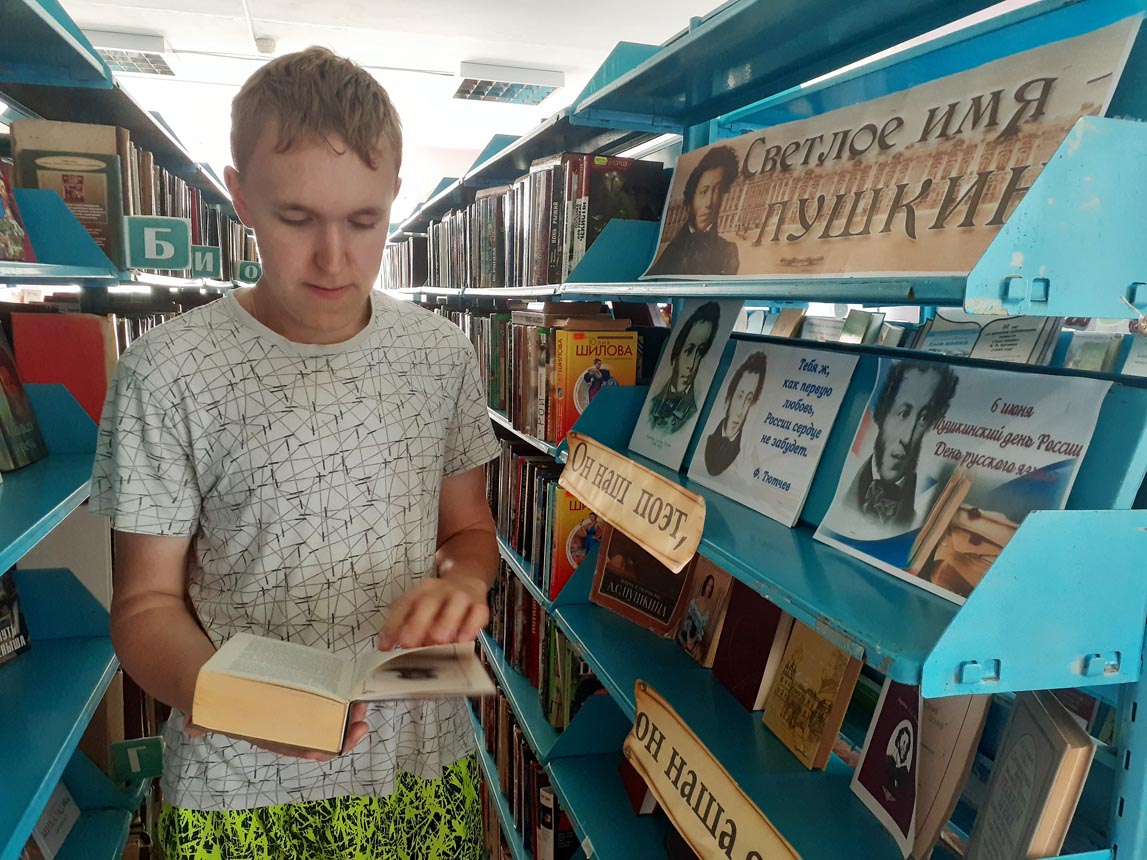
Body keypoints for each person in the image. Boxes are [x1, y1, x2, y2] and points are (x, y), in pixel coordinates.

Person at [90, 47, 501, 860]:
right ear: (239, 194)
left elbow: (467, 530)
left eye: (364, 221)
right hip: (237, 789)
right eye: (296, 219)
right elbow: (144, 608)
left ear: (395, 194)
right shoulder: (165, 373)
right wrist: (236, 700)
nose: (334, 259)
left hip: (419, 765)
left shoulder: (441, 354)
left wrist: (460, 584)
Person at [845, 362, 959, 528]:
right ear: (882, 412)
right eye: (903, 414)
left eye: (923, 418)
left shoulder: (920, 519)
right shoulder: (842, 491)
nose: (907, 438)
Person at [647, 146, 740, 276]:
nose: (709, 203)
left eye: (717, 191)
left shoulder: (728, 251)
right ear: (690, 202)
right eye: (703, 192)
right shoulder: (670, 250)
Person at [648, 301, 721, 433]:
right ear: (676, 352)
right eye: (689, 351)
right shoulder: (652, 404)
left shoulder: (693, 413)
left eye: (700, 352)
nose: (692, 365)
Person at [704, 350, 768, 475]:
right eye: (739, 396)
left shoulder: (747, 456)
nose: (740, 411)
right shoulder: (707, 437)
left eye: (749, 399)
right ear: (729, 398)